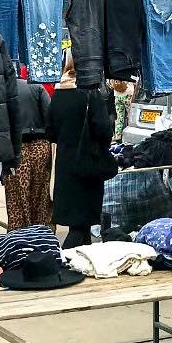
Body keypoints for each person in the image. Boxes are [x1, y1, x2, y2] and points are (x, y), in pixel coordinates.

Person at [48, 56, 116, 249]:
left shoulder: (58, 93)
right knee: (80, 225)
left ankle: (80, 263)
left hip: (65, 163)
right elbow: (103, 129)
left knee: (78, 223)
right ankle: (66, 261)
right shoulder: (90, 94)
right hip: (88, 163)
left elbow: (50, 130)